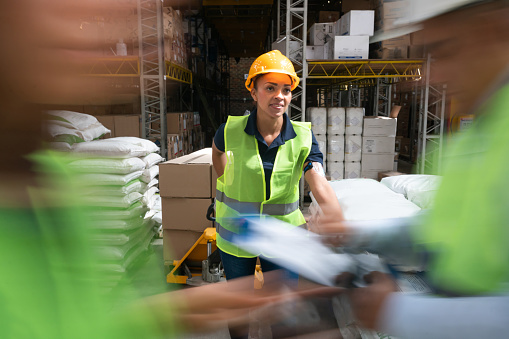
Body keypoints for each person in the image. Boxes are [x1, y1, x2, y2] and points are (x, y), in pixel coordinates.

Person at [317, 1, 509, 338]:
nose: (432, 76)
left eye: (446, 51)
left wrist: (401, 313)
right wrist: (361, 235)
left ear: (492, 31)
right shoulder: (478, 134)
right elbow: (443, 229)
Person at [212, 50, 344, 280]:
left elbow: (317, 179)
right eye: (270, 88)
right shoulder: (229, 130)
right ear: (254, 92)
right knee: (240, 300)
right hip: (237, 234)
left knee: (283, 304)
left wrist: (337, 218)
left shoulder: (303, 137)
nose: (279, 96)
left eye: (286, 90)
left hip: (284, 237)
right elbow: (217, 153)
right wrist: (228, 178)